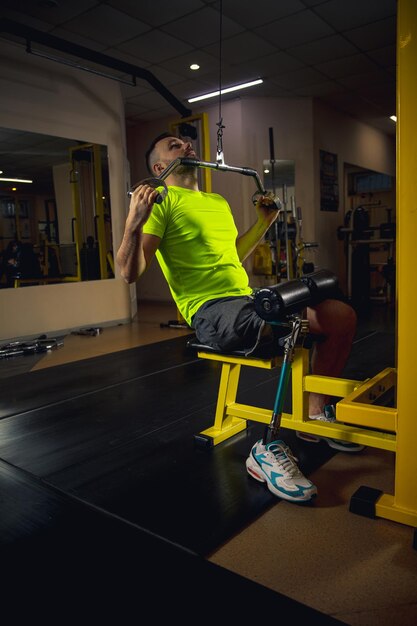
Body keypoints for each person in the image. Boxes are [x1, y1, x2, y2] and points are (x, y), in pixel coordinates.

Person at [116, 132, 362, 504]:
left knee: (339, 314)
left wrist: (265, 222)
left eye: (186, 141)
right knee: (291, 320)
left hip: (245, 298)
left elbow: (232, 255)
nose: (186, 145)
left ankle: (313, 417)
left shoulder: (217, 201)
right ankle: (266, 450)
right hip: (210, 310)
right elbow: (128, 272)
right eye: (174, 145)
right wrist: (134, 221)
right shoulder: (163, 203)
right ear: (159, 167)